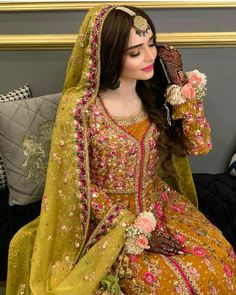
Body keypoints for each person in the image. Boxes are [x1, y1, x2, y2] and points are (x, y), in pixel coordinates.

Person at [6, 4, 236, 295]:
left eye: (151, 43)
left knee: (215, 264)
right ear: (110, 54)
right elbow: (76, 183)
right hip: (105, 221)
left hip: (161, 206)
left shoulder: (155, 93)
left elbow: (199, 146)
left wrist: (180, 83)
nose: (150, 56)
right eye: (135, 52)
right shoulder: (81, 109)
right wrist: (132, 228)